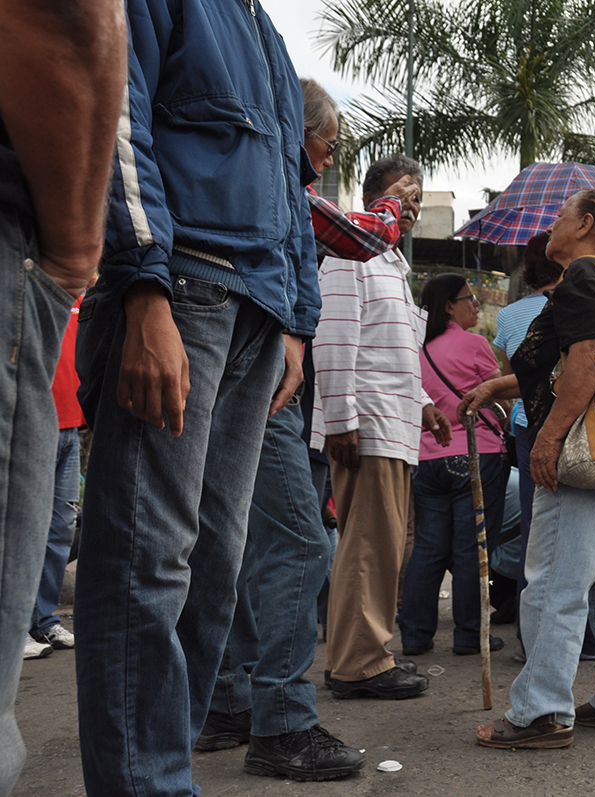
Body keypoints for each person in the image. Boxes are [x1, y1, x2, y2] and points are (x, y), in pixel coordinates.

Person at [73, 1, 318, 792]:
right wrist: (143, 283)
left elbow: (290, 179)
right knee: (149, 557)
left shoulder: (265, 32)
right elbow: (115, 110)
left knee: (213, 565)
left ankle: (161, 769)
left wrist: (297, 321)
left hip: (256, 308)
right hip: (183, 285)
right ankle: (146, 782)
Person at [197, 80, 424, 780]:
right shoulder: (281, 183)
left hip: (266, 370)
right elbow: (347, 316)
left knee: (237, 543)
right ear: (299, 135)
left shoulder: (251, 177)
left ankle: (233, 700)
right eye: (326, 144)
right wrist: (343, 418)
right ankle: (285, 715)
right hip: (282, 389)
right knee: (304, 541)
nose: (326, 159)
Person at [463, 189, 595, 749]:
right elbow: (568, 357)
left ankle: (541, 712)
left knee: (554, 583)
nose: (552, 225)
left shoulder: (585, 275)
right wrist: (499, 385)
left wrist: (548, 439)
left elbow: (593, 356)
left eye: (560, 216)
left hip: (589, 462)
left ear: (586, 225)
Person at [0, 4, 123, 790]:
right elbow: (72, 21)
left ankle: (40, 616)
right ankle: (40, 617)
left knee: (53, 522)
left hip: (65, 408)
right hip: (43, 365)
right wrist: (75, 246)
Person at [312, 154, 451, 699]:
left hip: (392, 425)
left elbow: (390, 352)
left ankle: (367, 653)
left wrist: (422, 404)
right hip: (366, 426)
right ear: (374, 198)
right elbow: (336, 338)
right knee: (369, 546)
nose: (411, 206)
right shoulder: (352, 254)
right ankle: (358, 663)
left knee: (384, 545)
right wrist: (342, 421)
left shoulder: (391, 263)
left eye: (418, 197)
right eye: (402, 194)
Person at [399, 273, 508, 656]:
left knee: (428, 546)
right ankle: (468, 634)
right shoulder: (476, 345)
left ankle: (414, 634)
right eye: (470, 298)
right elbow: (503, 398)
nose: (476, 304)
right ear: (449, 305)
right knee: (472, 547)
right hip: (476, 453)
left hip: (426, 458)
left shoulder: (416, 348)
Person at [492, 233, 564, 655]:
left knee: (534, 533)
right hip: (570, 420)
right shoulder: (580, 305)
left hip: (526, 426)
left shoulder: (509, 316)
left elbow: (511, 384)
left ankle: (527, 637)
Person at [27, 295, 86, 660]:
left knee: (61, 526)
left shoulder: (81, 298)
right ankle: (12, 627)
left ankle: (43, 619)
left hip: (69, 429)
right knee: (22, 529)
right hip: (33, 423)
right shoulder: (33, 287)